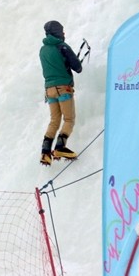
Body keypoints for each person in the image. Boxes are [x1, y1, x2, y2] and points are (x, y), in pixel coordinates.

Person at [39, 20, 83, 166]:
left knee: (54, 120)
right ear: (58, 32)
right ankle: (60, 147)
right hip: (63, 88)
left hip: (49, 90)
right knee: (69, 119)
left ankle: (45, 153)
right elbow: (77, 67)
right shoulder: (62, 46)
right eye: (62, 31)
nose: (64, 34)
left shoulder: (42, 50)